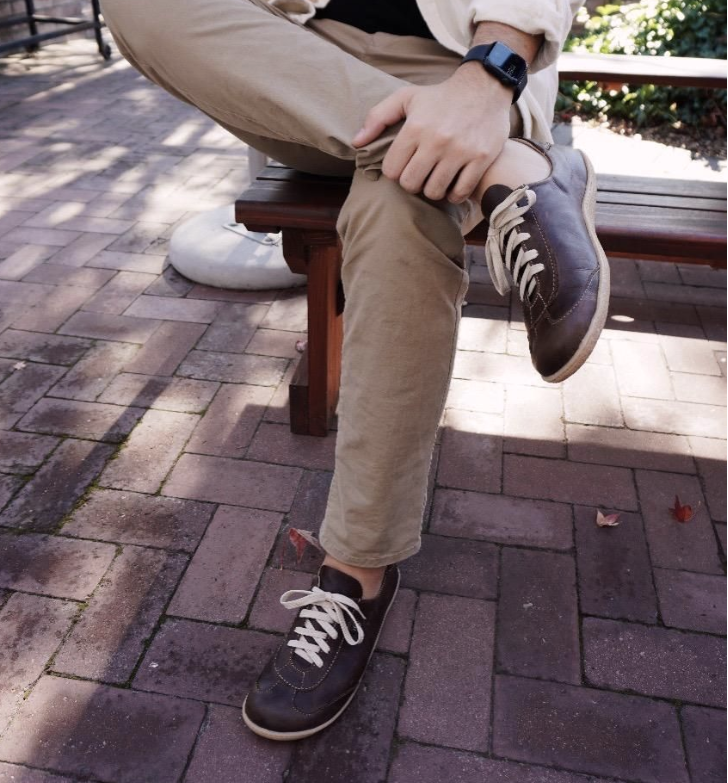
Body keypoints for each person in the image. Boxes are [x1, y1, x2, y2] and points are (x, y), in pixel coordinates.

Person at [99, 0, 609, 741]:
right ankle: (510, 171)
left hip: (462, 67)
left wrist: (489, 75)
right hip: (307, 71)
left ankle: (358, 575)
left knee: (402, 209)